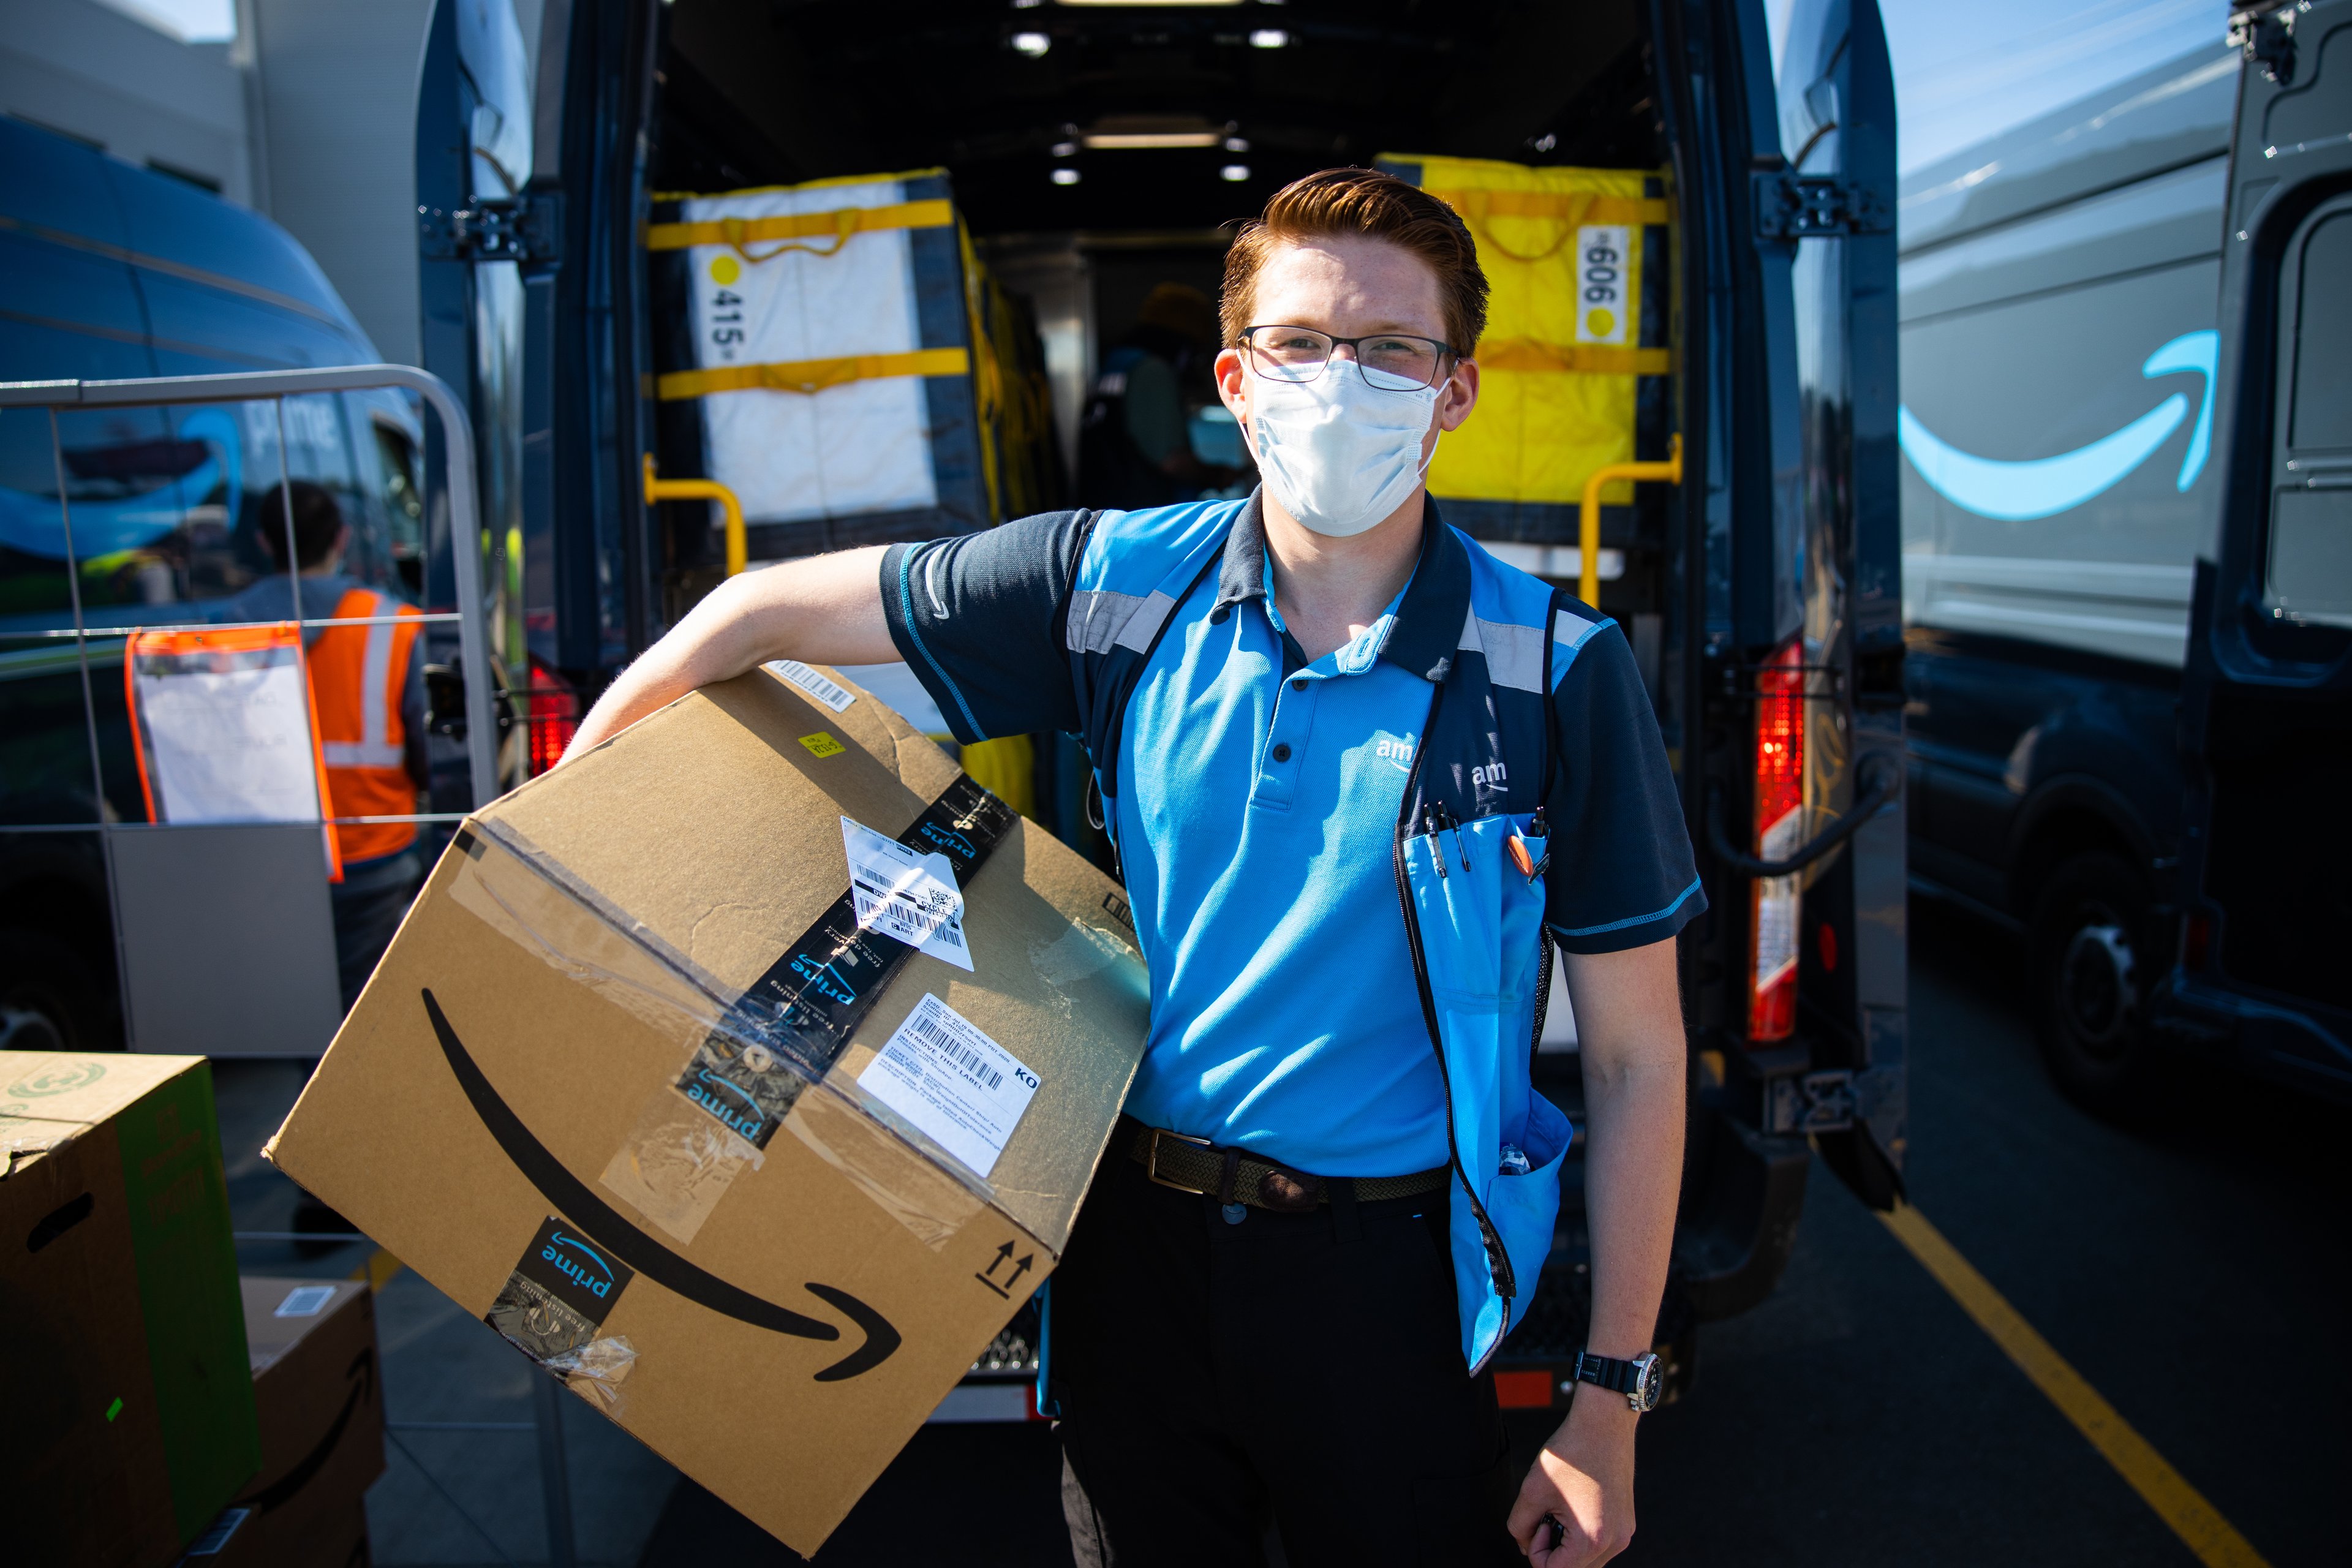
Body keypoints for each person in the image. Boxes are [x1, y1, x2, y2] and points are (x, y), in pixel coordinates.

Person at [566, 168, 1700, 1567]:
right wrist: (564, 815)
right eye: (1298, 343)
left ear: (1452, 391)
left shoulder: (1553, 669)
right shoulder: (1112, 588)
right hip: (1129, 1263)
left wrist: (1606, 1399)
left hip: (1387, 1288)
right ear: (1233, 376)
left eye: (1390, 349)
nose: (1340, 383)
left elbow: (1641, 1061)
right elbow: (752, 612)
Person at [219, 480, 429, 1011]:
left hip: (271, 861)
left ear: (266, 544)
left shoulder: (227, 629)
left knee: (294, 1011)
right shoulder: (391, 623)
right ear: (341, 538)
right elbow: (427, 753)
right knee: (366, 1017)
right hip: (374, 857)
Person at [1080, 282, 1246, 507]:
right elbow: (1172, 462)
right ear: (1183, 342)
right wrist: (1217, 475)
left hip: (1107, 511)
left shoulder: (1115, 362)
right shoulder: (1152, 371)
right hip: (1144, 514)